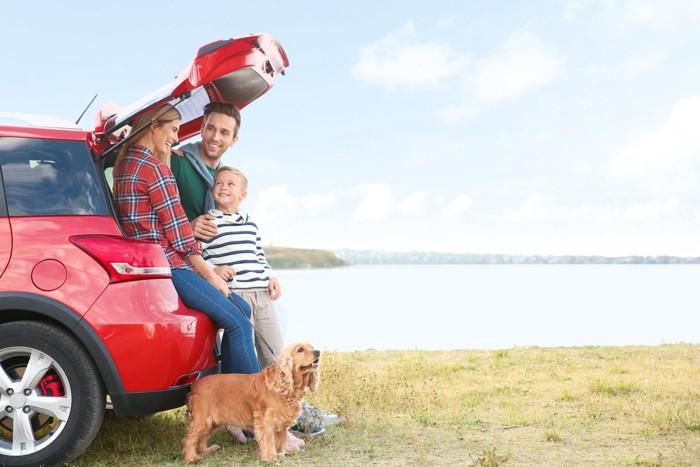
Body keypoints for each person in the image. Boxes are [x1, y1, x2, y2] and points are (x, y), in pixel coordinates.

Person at [111, 103, 259, 443]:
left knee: (244, 310)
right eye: (174, 129)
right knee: (237, 320)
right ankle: (256, 418)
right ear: (154, 127)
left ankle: (233, 412)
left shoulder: (125, 165)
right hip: (171, 266)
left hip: (151, 263)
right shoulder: (156, 170)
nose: (177, 138)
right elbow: (181, 239)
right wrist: (212, 276)